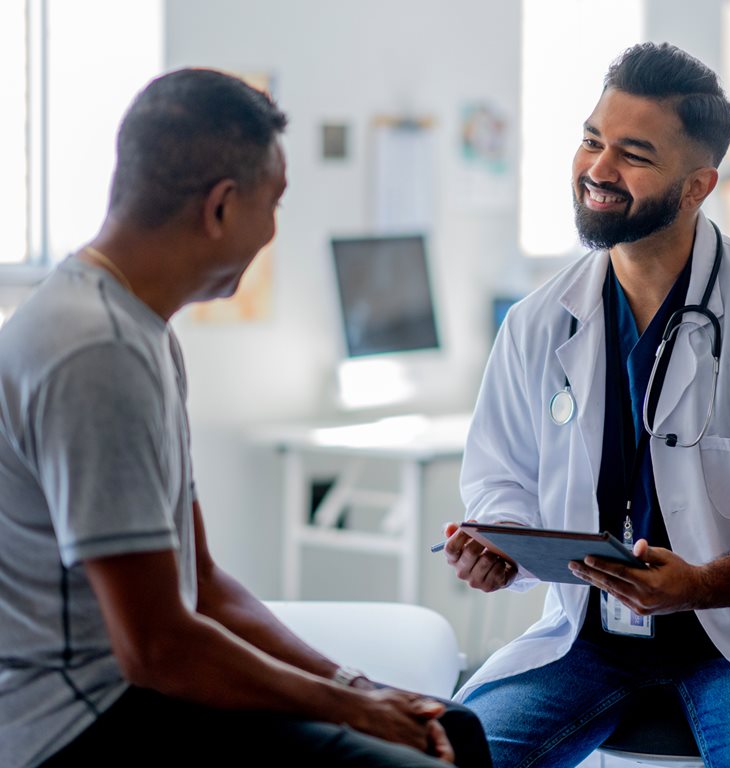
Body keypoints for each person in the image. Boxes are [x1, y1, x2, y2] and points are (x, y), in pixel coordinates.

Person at [0, 68, 490, 768]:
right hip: (77, 727)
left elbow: (203, 584)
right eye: (275, 204)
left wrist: (357, 684)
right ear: (222, 207)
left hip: (140, 694)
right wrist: (353, 709)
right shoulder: (94, 352)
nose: (272, 231)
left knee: (458, 729)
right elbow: (157, 647)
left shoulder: (141, 331)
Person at [441, 42, 730, 768]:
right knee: (450, 755)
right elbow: (501, 479)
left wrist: (702, 586)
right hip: (587, 642)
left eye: (634, 155)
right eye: (592, 140)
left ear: (696, 186)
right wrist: (504, 545)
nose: (598, 170)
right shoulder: (538, 322)